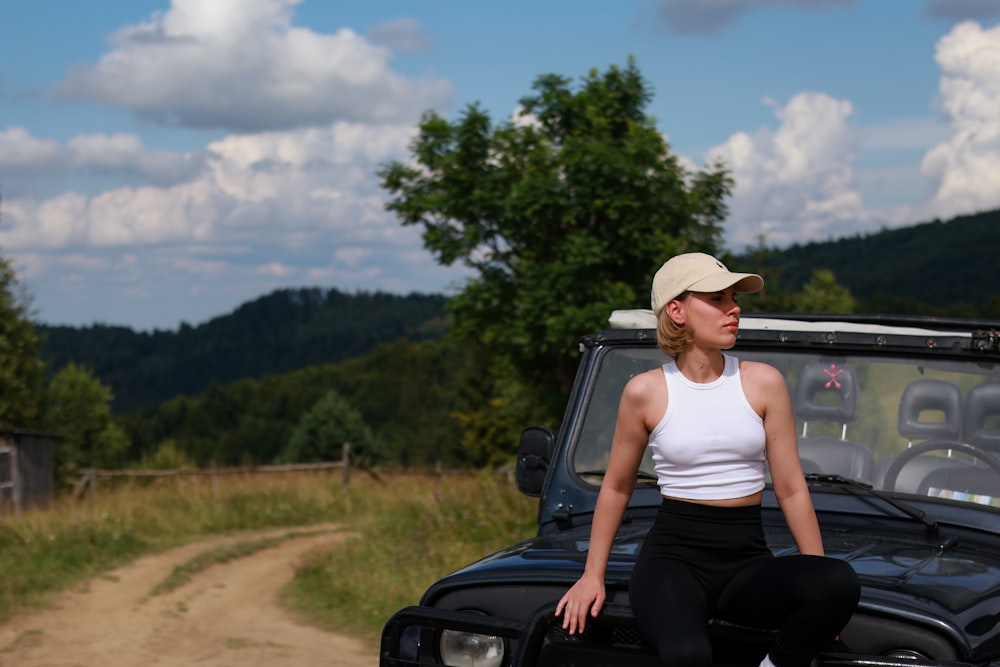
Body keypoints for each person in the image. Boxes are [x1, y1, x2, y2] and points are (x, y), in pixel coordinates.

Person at [555, 252, 860, 667]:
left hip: (745, 562)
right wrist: (592, 575)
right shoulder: (646, 392)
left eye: (734, 298)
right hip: (672, 563)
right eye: (717, 299)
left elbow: (790, 488)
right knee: (688, 655)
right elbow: (616, 486)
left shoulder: (764, 383)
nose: (733, 308)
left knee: (838, 582)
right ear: (677, 311)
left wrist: (819, 593)